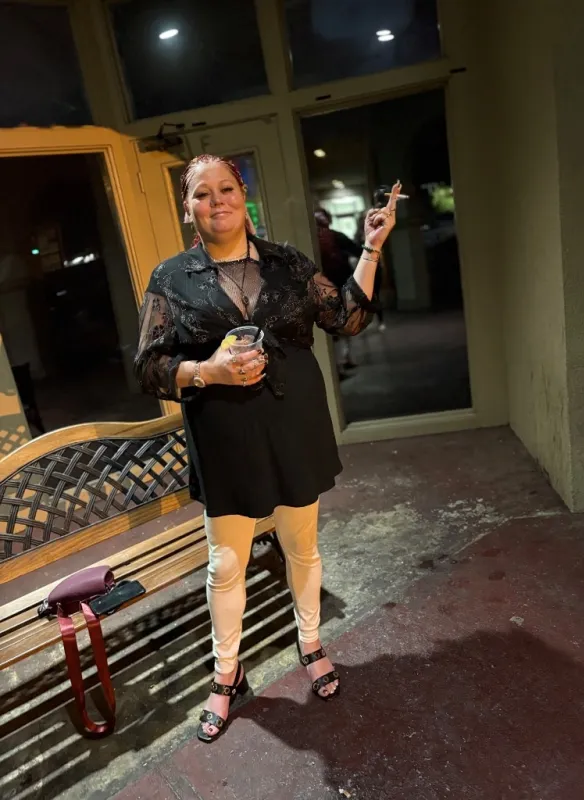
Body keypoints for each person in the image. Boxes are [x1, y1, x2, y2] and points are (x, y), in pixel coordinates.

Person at [134, 153, 401, 743]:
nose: (217, 201)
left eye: (226, 189)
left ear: (243, 196)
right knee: (225, 563)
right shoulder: (171, 278)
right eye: (203, 193)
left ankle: (310, 642)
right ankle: (226, 672)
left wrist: (371, 247)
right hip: (224, 434)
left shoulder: (287, 262)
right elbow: (148, 367)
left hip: (292, 424)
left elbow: (346, 318)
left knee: (300, 546)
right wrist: (207, 371)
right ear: (187, 208)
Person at [314, 208, 363, 370]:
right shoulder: (336, 236)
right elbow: (358, 251)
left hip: (321, 290)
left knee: (330, 329)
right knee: (345, 324)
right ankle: (346, 358)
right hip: (341, 286)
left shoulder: (309, 241)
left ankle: (336, 365)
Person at [356, 209, 386, 331]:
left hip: (375, 265)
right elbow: (358, 248)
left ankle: (380, 320)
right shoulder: (359, 234)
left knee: (375, 294)